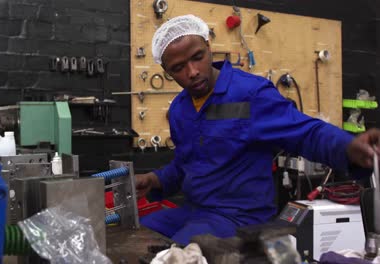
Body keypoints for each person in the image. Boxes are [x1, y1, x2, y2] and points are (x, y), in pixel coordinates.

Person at [135, 14, 380, 245]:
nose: (192, 71)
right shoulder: (180, 109)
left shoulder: (249, 94)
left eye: (197, 57)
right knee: (140, 231)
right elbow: (185, 164)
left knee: (177, 252)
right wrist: (154, 180)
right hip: (195, 210)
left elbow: (305, 131)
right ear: (167, 73)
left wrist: (348, 146)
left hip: (241, 217)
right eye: (178, 68)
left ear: (209, 47)